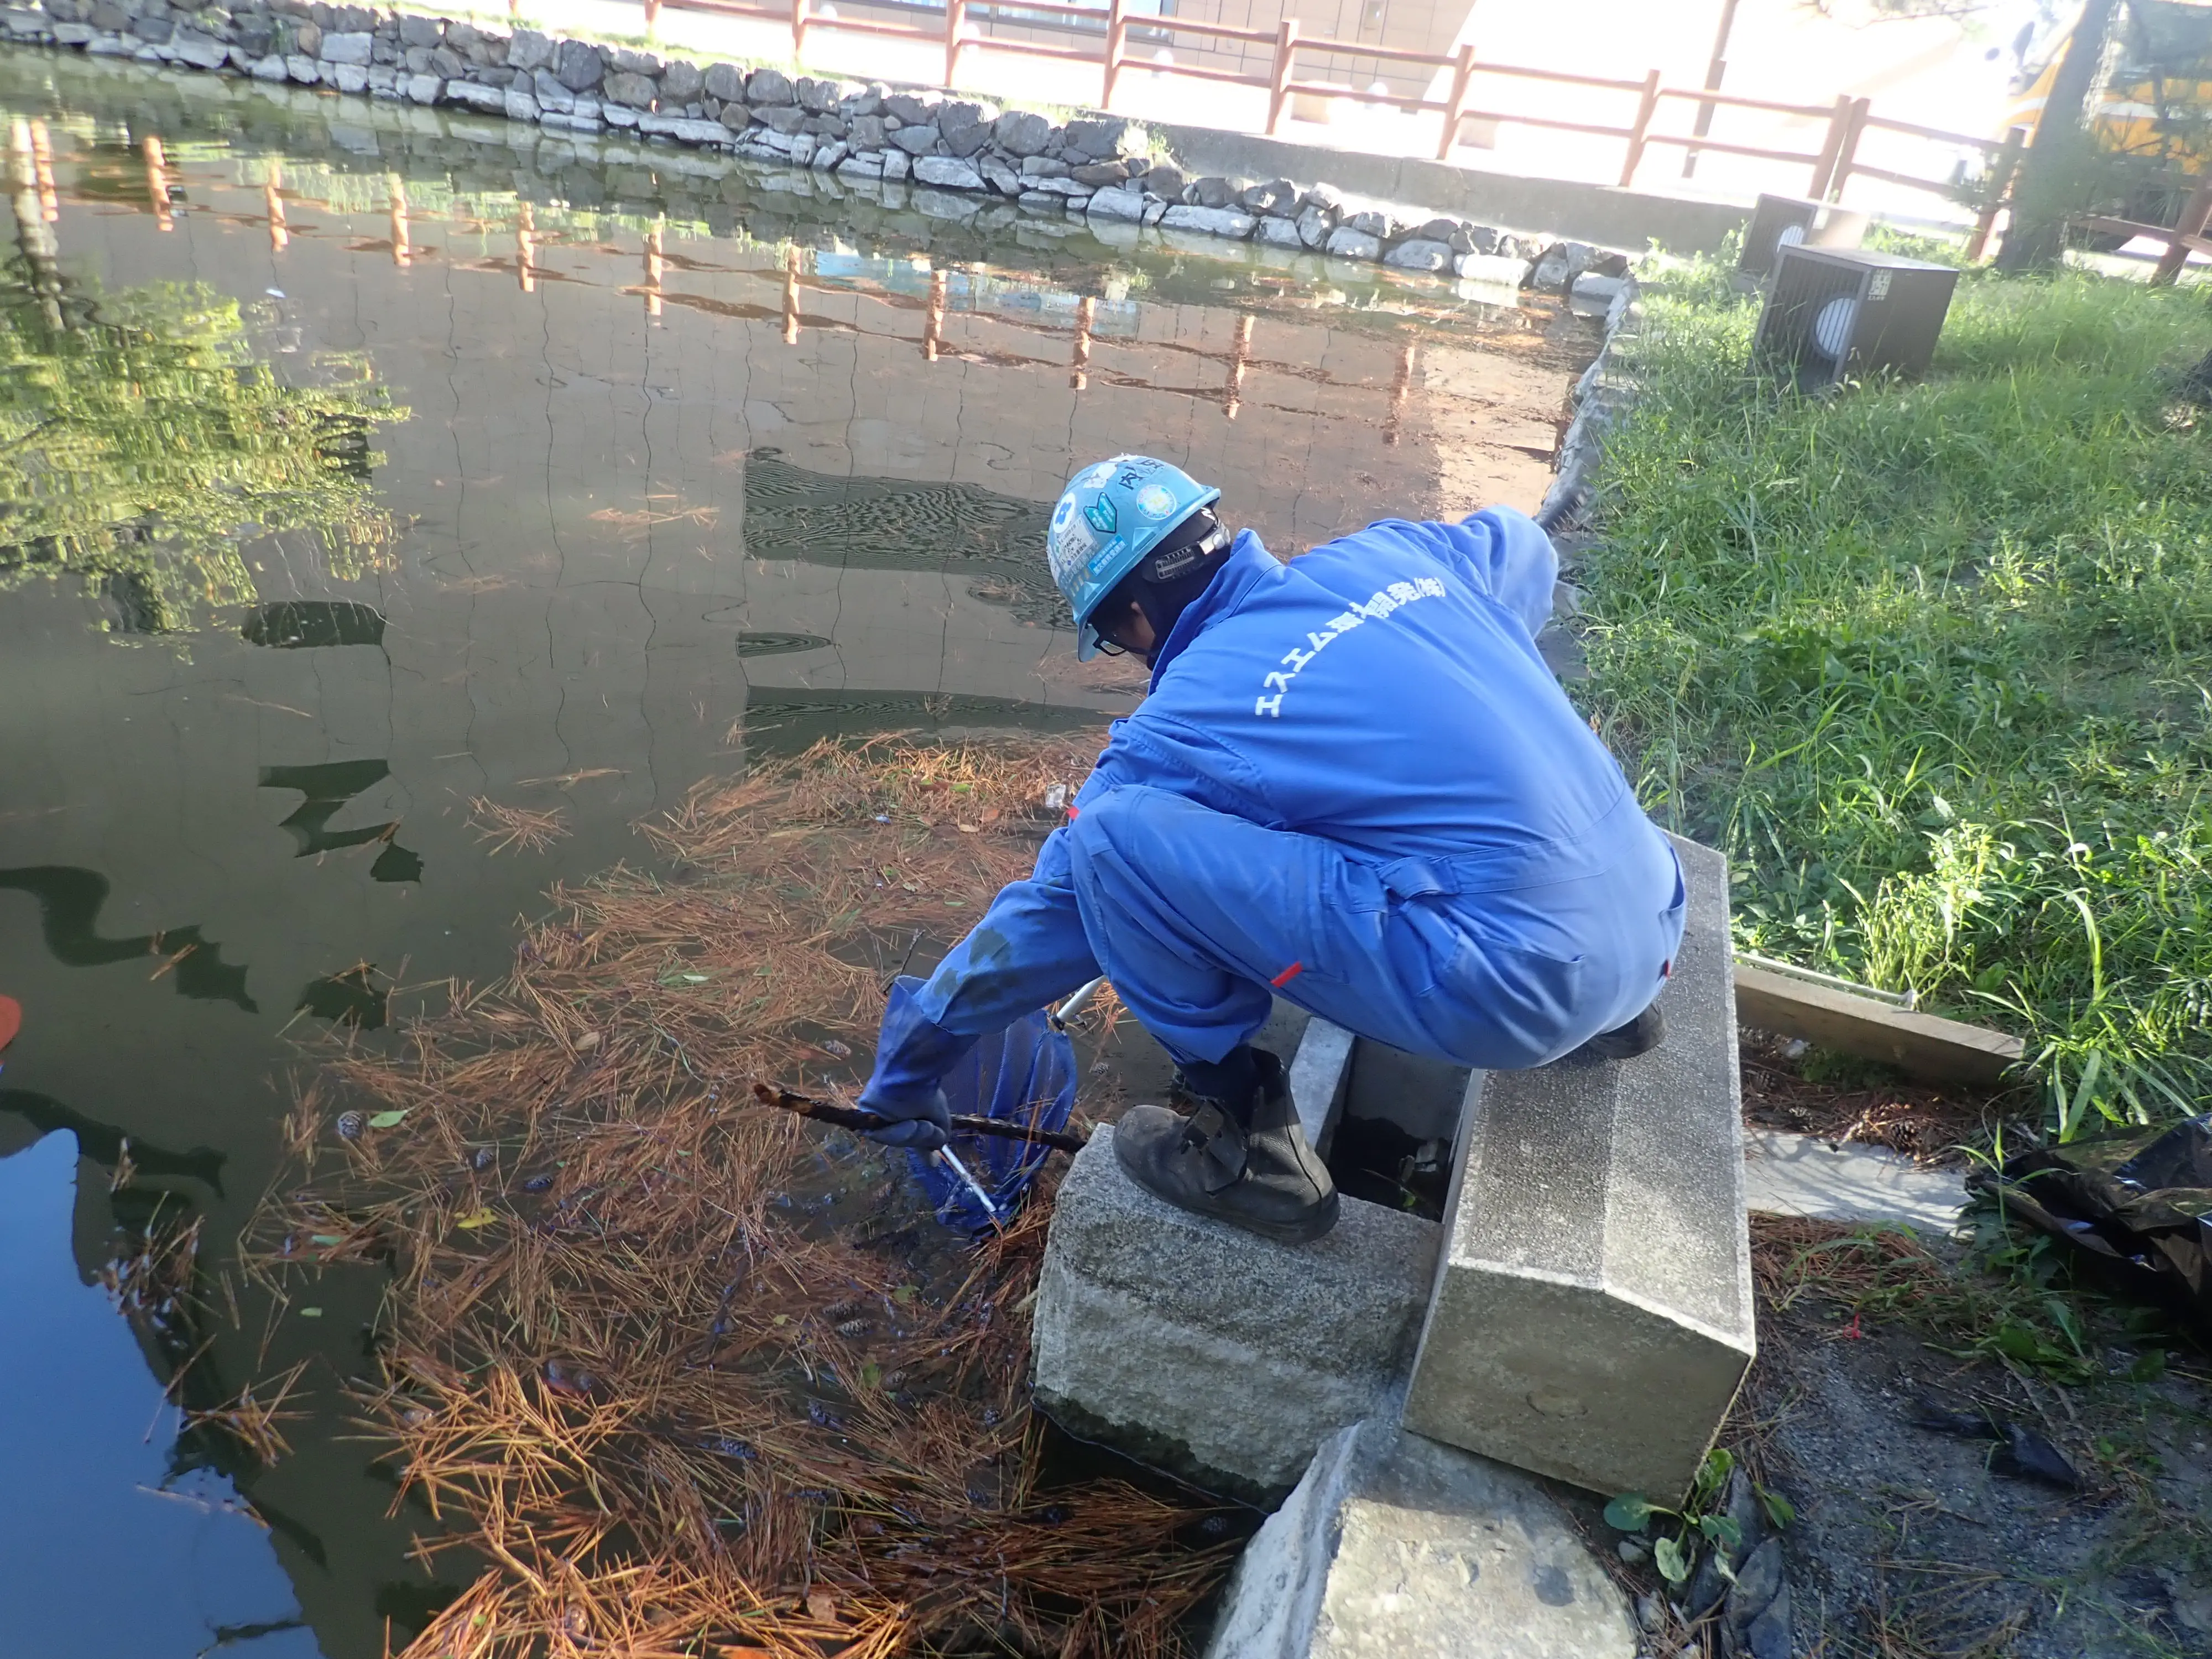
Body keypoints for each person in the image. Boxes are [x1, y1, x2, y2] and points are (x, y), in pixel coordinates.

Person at [857, 455, 1686, 1244]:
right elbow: (1524, 542)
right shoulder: (1398, 557)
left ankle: (1249, 1150)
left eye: (1113, 640)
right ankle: (1609, 1006)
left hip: (1515, 993)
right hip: (1654, 920)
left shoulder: (1180, 728)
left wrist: (909, 1069)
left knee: (1110, 840)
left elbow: (1046, 919)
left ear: (1133, 618)